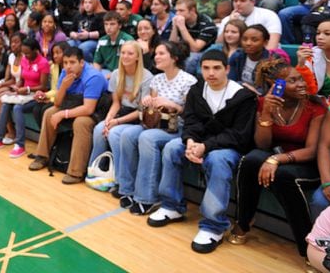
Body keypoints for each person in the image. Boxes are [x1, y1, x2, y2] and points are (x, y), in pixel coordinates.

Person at [147, 49, 257, 254]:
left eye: (216, 68)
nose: (211, 73)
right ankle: (172, 206)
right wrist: (190, 141)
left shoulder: (243, 97)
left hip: (229, 148)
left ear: (228, 69)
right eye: (206, 68)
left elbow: (239, 135)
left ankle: (214, 226)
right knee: (173, 147)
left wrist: (204, 147)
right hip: (200, 142)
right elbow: (191, 120)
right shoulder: (198, 89)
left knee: (216, 159)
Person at [230, 58, 324, 260]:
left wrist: (276, 159)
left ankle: (307, 246)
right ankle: (244, 221)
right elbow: (262, 145)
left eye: (300, 79)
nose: (300, 84)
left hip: (306, 162)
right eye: (293, 81)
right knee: (251, 160)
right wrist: (266, 113)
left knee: (282, 175)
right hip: (276, 155)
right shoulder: (265, 103)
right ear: (276, 86)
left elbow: (313, 151)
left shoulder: (315, 106)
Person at [116, 42, 197, 214]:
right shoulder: (157, 79)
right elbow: (151, 113)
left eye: (161, 54)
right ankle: (127, 189)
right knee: (127, 134)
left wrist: (173, 104)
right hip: (157, 125)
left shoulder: (188, 81)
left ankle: (147, 197)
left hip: (178, 128)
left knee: (147, 138)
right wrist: (147, 102)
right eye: (156, 54)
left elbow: (191, 115)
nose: (156, 57)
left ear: (174, 58)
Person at [29, 46, 108, 182]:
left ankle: (76, 172)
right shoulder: (65, 73)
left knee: (81, 122)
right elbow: (57, 104)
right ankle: (42, 156)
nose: (68, 67)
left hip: (96, 112)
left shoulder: (93, 77)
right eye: (65, 63)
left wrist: (63, 114)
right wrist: (64, 86)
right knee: (49, 113)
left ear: (81, 63)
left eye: (72, 62)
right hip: (73, 106)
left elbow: (88, 109)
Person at [90, 41, 153, 195]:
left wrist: (115, 122)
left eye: (130, 53)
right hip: (122, 112)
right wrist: (108, 120)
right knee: (99, 129)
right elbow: (116, 103)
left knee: (114, 134)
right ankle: (94, 173)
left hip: (138, 117)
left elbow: (141, 111)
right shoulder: (117, 74)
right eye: (123, 53)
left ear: (138, 57)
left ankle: (120, 180)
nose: (125, 56)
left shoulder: (147, 77)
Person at [0, 37, 50, 158]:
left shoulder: (43, 63)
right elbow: (22, 80)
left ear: (36, 50)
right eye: (24, 53)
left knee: (17, 108)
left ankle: (20, 145)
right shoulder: (25, 60)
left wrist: (27, 89)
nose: (25, 55)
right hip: (23, 93)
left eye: (27, 53)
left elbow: (43, 86)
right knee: (5, 103)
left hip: (36, 96)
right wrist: (15, 90)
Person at [218, 0, 282, 51]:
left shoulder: (269, 15)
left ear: (253, 2)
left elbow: (272, 44)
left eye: (242, 1)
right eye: (235, 1)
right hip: (237, 56)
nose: (238, 4)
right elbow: (218, 44)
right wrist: (230, 22)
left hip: (264, 55)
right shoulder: (227, 19)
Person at [169, 0, 218, 75]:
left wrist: (182, 28)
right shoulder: (181, 21)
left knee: (191, 59)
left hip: (205, 52)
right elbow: (172, 44)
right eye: (176, 11)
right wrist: (175, 27)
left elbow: (195, 49)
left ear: (192, 10)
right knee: (167, 54)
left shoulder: (207, 24)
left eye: (181, 11)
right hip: (185, 50)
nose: (177, 14)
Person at [93, 12, 135, 78]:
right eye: (106, 24)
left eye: (112, 24)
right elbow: (97, 62)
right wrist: (97, 75)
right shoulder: (102, 41)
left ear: (120, 25)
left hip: (124, 73)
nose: (108, 27)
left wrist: (111, 75)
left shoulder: (127, 40)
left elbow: (130, 64)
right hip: (107, 71)